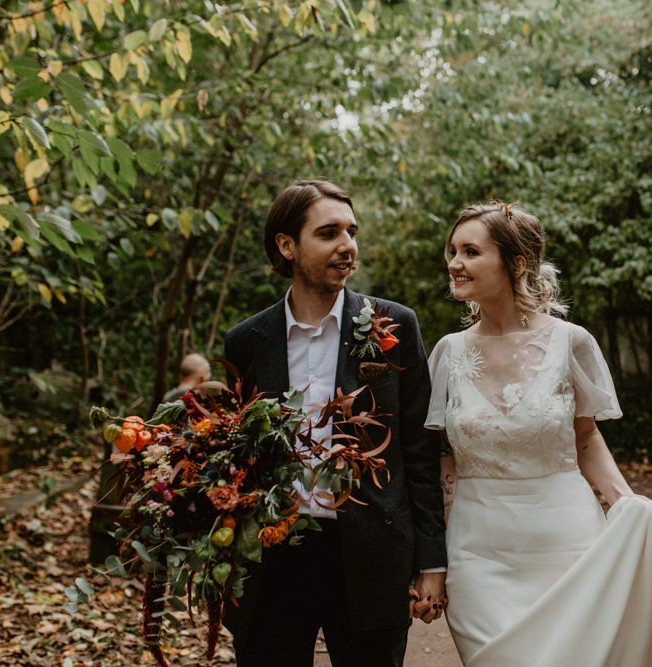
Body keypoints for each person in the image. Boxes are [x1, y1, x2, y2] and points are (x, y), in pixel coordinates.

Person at [223, 180, 447, 666]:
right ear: (287, 245)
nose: (348, 246)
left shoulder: (395, 324)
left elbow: (419, 449)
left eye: (351, 231)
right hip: (272, 558)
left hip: (370, 553)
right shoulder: (246, 341)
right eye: (329, 233)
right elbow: (237, 455)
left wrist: (432, 561)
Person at [425, 201, 652, 666]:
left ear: (517, 262)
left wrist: (627, 506)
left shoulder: (572, 341)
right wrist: (436, 554)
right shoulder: (448, 353)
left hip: (568, 542)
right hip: (478, 552)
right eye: (452, 250)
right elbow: (442, 454)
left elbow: (586, 438)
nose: (454, 262)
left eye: (470, 251)